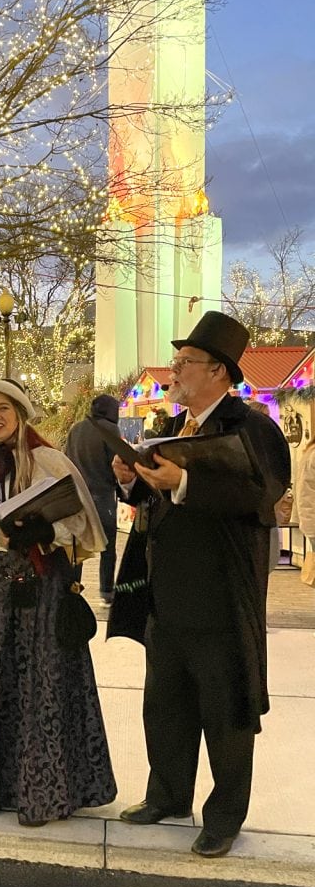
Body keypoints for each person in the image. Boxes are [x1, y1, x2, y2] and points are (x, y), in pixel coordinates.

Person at [111, 312, 290, 858]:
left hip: (219, 597)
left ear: (218, 371)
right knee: (165, 705)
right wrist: (134, 484)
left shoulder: (252, 427)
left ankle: (224, 817)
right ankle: (167, 794)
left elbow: (263, 499)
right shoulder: (169, 428)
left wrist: (185, 481)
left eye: (185, 363)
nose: (176, 371)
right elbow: (156, 502)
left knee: (225, 712)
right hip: (167, 595)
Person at [0, 378, 116, 826]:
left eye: (3, 408)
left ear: (20, 412)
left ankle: (44, 791)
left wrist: (46, 532)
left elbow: (81, 521)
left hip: (40, 584)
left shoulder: (49, 459)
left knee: (41, 681)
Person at [65, 393, 121, 606]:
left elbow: (66, 459)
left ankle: (73, 587)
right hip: (102, 496)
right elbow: (116, 462)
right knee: (107, 547)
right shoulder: (110, 429)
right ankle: (106, 591)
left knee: (77, 546)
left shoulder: (76, 429)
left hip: (77, 496)